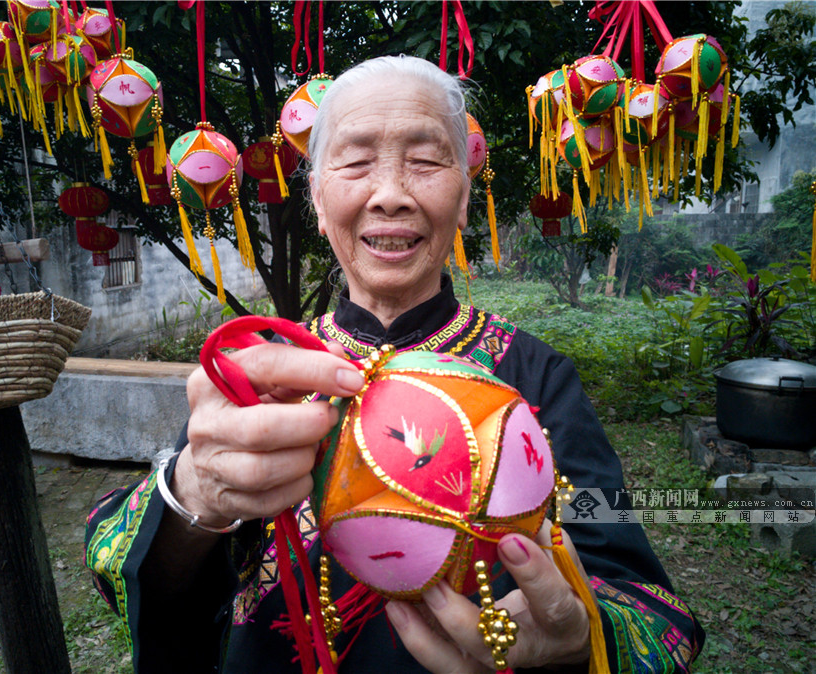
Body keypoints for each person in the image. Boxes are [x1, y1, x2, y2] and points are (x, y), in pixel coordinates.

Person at [86, 56, 704, 673]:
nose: (390, 196)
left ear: (463, 197)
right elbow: (134, 569)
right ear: (319, 203)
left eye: (426, 160)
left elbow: (648, 604)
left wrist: (580, 635)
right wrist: (194, 496)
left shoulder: (534, 374)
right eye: (356, 162)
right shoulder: (268, 375)